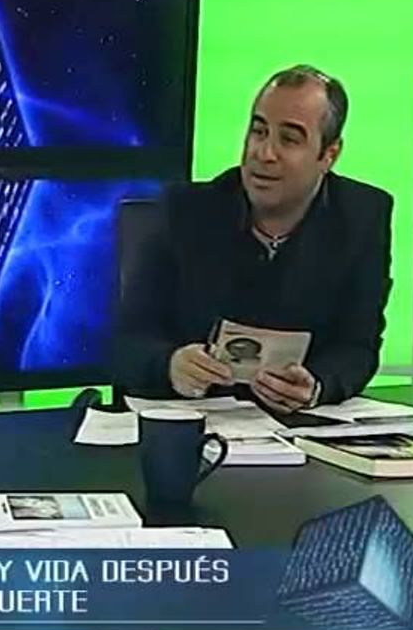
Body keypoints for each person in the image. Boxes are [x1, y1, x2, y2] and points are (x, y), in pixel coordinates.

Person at [116, 65, 393, 413]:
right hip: (191, 422)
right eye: (258, 131)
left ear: (329, 154)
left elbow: (357, 346)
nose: (264, 153)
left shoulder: (362, 217)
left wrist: (316, 386)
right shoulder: (185, 212)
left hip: (297, 428)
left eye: (289, 139)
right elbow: (127, 341)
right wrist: (169, 364)